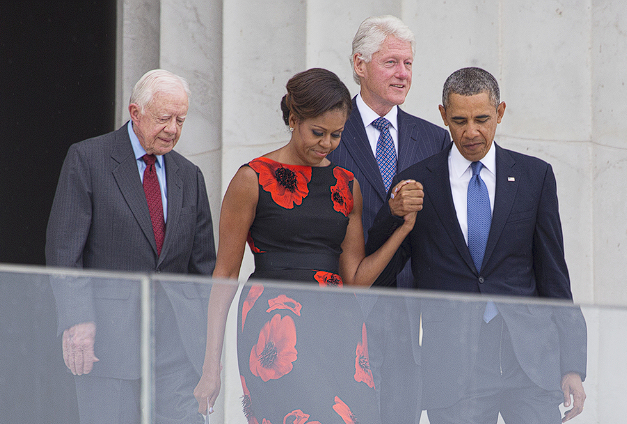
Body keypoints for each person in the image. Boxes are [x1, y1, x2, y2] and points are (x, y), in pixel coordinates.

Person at [193, 68, 416, 424]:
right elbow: (225, 274)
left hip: (339, 325)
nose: (326, 143)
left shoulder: (346, 185)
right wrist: (210, 366)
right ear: (294, 119)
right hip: (275, 325)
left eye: (336, 135)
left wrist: (402, 230)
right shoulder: (251, 179)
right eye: (317, 132)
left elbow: (356, 279)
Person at [366, 67, 587, 424]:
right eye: (459, 120)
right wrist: (391, 216)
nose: (471, 132)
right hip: (454, 369)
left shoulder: (535, 175)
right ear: (443, 117)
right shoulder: (418, 180)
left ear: (499, 113)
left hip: (529, 363)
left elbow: (554, 274)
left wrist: (572, 364)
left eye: (482, 119)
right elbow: (383, 270)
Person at [46, 69, 216, 424]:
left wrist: (208, 350)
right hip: (107, 340)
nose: (173, 129)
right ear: (135, 113)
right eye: (164, 118)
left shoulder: (190, 175)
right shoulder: (89, 159)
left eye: (181, 119)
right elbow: (64, 252)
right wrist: (77, 320)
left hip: (176, 346)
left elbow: (204, 269)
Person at [326, 15, 450, 423]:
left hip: (411, 310)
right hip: (344, 305)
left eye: (409, 64)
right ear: (360, 65)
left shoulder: (434, 138)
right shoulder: (331, 133)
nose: (403, 74)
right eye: (391, 63)